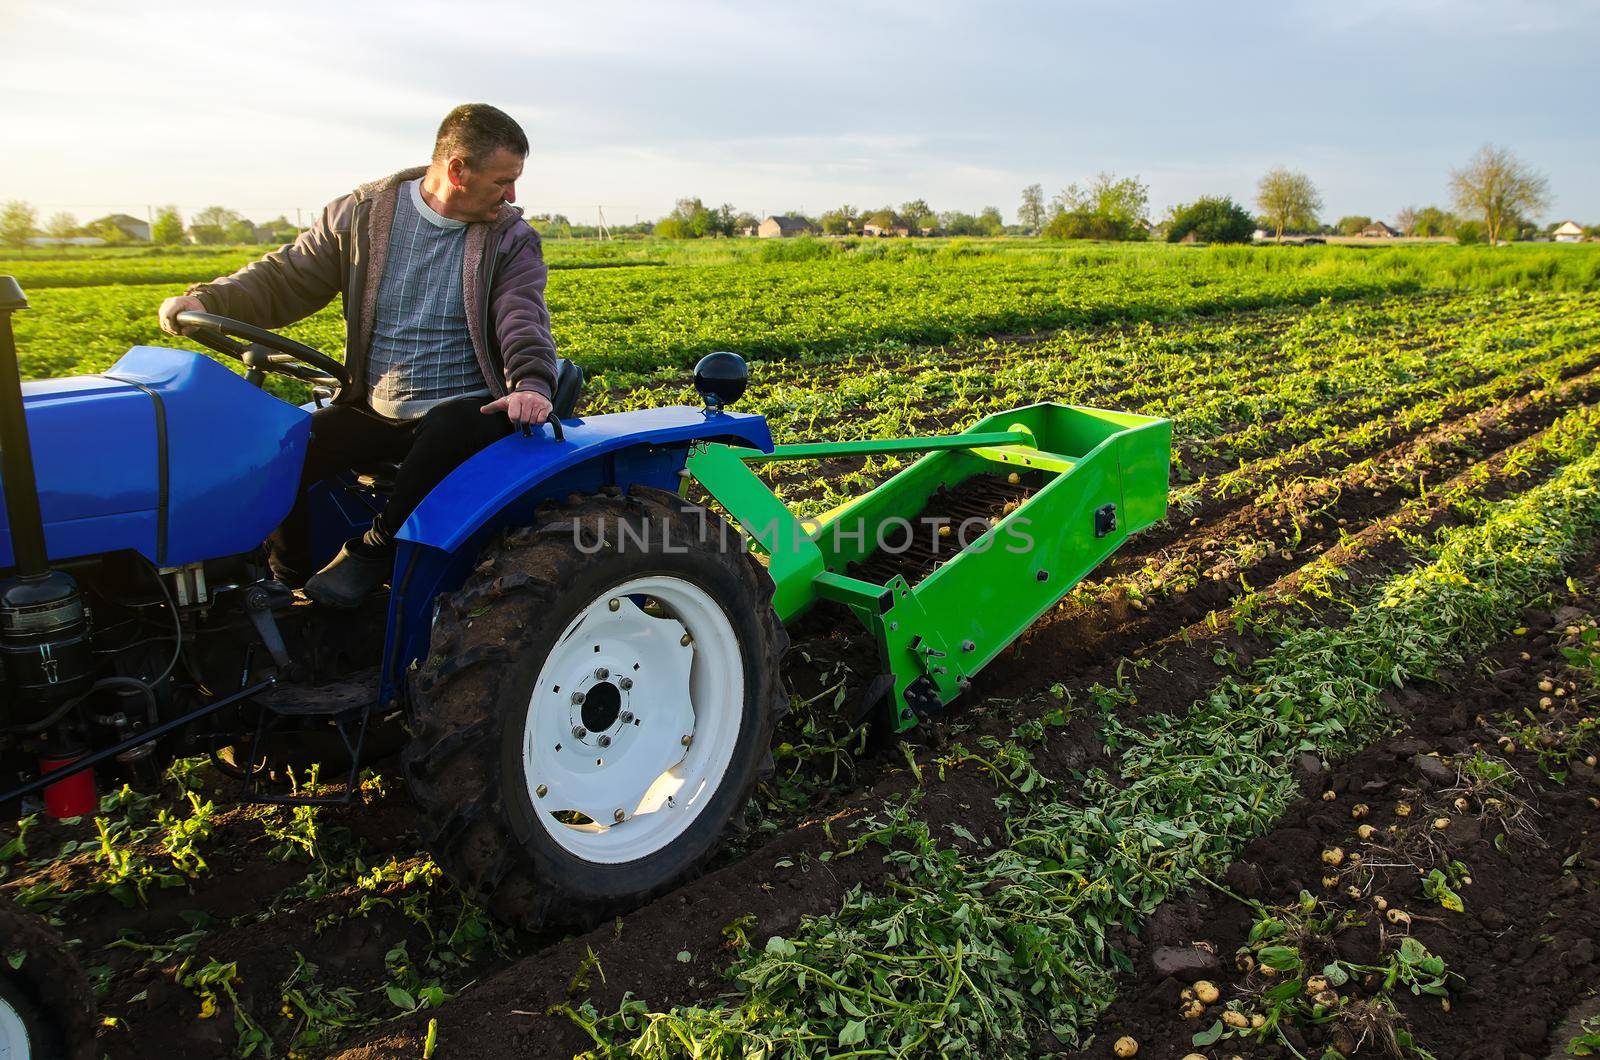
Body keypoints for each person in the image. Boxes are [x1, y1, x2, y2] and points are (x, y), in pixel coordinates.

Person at [158, 103, 557, 609]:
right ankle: (290, 583)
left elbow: (521, 316)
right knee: (284, 450)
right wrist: (208, 300)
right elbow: (288, 275)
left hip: (469, 406)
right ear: (458, 170)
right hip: (377, 405)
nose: (512, 195)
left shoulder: (510, 240)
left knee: (450, 429)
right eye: (504, 180)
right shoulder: (364, 215)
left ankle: (374, 552)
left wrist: (530, 384)